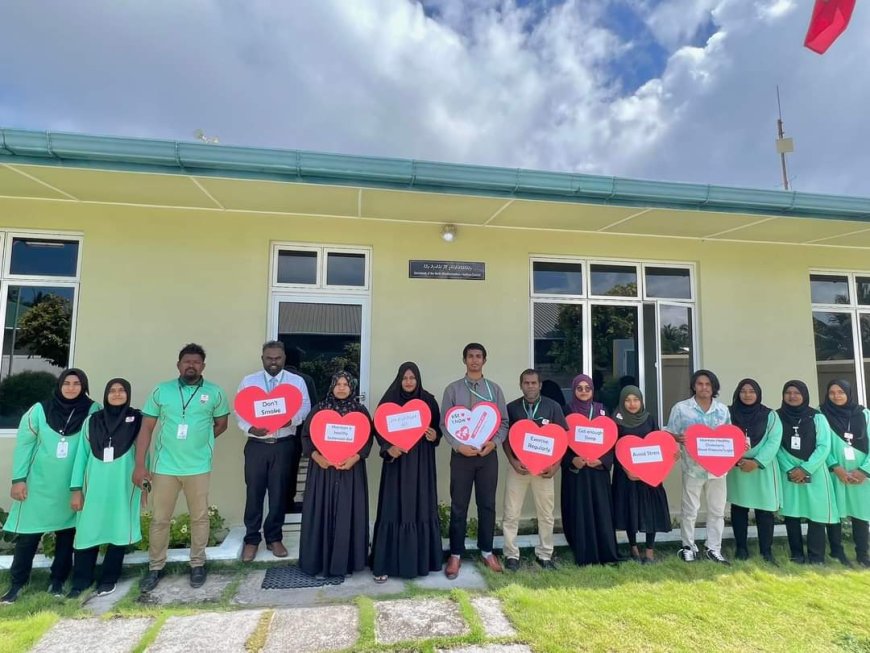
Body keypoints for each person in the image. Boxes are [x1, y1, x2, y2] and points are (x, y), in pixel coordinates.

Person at [134, 344, 230, 592]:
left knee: (199, 517)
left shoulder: (215, 393)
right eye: (187, 361)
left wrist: (201, 442)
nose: (191, 365)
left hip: (198, 467)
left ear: (203, 366)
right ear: (178, 365)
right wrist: (140, 464)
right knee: (159, 519)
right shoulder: (161, 391)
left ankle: (197, 564)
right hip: (164, 466)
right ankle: (156, 567)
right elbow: (146, 428)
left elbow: (221, 424)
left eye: (196, 362)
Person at [1, 369, 98, 604]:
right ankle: (17, 584)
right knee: (28, 537)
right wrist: (18, 479)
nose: (72, 387)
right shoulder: (39, 411)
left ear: (83, 386)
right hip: (39, 485)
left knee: (66, 535)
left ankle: (57, 581)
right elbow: (24, 446)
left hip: (71, 486)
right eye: (67, 383)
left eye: (77, 383)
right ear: (59, 385)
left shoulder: (92, 410)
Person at [67, 378, 143, 598]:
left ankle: (109, 579)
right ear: (106, 394)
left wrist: (144, 482)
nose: (117, 394)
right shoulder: (92, 421)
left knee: (118, 530)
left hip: (123, 485)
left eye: (121, 390)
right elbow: (81, 455)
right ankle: (81, 581)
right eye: (112, 390)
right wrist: (76, 488)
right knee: (87, 531)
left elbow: (142, 452)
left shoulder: (136, 419)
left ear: (128, 394)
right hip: (94, 486)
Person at [236, 341, 311, 562]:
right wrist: (250, 428)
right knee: (254, 493)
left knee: (280, 494)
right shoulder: (249, 382)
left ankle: (274, 538)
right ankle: (251, 540)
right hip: (257, 446)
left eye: (277, 358)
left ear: (284, 358)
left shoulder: (296, 382)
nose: (273, 362)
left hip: (284, 444)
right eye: (269, 358)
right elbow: (240, 410)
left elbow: (305, 407)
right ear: (262, 359)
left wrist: (291, 419)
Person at [441, 343, 509, 579]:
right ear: (464, 360)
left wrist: (494, 443)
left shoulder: (494, 390)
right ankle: (455, 555)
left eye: (478, 356)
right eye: (470, 356)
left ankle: (487, 550)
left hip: (487, 456)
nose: (474, 360)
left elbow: (503, 423)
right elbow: (444, 424)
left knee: (487, 504)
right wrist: (458, 446)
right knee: (459, 505)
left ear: (484, 360)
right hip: (461, 457)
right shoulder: (452, 390)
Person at [370, 362, 442, 582]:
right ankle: (386, 563)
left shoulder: (428, 400)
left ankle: (421, 562)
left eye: (413, 378)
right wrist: (388, 448)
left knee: (419, 506)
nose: (409, 382)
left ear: (418, 379)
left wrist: (434, 436)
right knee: (394, 507)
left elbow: (437, 429)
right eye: (405, 378)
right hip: (396, 465)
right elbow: (378, 429)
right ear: (399, 379)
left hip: (421, 464)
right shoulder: (389, 400)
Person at [299, 371, 373, 577]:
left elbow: (368, 439)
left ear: (352, 388)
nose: (341, 388)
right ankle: (318, 562)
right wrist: (317, 456)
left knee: (347, 512)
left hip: (350, 471)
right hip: (323, 471)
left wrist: (355, 458)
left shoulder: (360, 411)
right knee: (322, 511)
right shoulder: (319, 409)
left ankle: (346, 563)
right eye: (337, 384)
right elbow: (306, 437)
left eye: (345, 384)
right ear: (332, 386)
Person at [665, 369, 732, 564]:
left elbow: (729, 437)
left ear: (714, 387)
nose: (704, 387)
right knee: (690, 510)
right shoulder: (681, 408)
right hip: (692, 468)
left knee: (717, 511)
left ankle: (714, 548)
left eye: (708, 384)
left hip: (718, 470)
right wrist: (678, 438)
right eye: (700, 384)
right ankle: (688, 546)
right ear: (694, 386)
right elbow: (670, 433)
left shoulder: (722, 410)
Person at [502, 369, 566, 570]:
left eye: (534, 383)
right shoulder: (512, 408)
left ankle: (545, 555)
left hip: (545, 470)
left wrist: (555, 466)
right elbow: (505, 438)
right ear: (520, 385)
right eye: (526, 383)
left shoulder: (553, 407)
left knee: (546, 514)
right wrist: (513, 461)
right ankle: (511, 554)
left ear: (540, 385)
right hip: (518, 468)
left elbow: (562, 439)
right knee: (511, 513)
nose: (530, 386)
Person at [776, 380, 838, 564]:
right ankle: (796, 554)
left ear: (804, 395)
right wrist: (791, 468)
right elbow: (775, 445)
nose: (792, 396)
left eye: (797, 393)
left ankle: (816, 556)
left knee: (816, 512)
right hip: (788, 471)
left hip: (815, 470)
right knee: (792, 513)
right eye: (788, 392)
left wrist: (805, 468)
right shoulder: (776, 416)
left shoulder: (817, 417)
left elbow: (824, 446)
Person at [561, 374, 618, 566]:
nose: (584, 391)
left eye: (587, 388)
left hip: (597, 472)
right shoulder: (566, 411)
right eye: (580, 388)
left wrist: (602, 460)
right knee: (580, 511)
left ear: (593, 390)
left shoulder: (602, 410)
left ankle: (606, 552)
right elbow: (560, 443)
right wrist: (572, 460)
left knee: (601, 510)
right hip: (576, 473)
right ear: (574, 390)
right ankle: (584, 553)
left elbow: (611, 441)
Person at [611, 385, 671, 564]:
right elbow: (613, 449)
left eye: (636, 400)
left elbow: (658, 444)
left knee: (650, 511)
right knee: (630, 511)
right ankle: (634, 549)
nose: (632, 404)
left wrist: (670, 457)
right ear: (622, 401)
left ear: (641, 401)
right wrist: (627, 470)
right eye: (628, 400)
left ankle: (650, 551)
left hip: (649, 476)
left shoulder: (650, 419)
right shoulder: (616, 421)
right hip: (626, 476)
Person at [726, 379, 783, 564]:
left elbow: (774, 441)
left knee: (764, 511)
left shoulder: (770, 415)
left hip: (761, 470)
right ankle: (741, 549)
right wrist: (736, 459)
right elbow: (722, 436)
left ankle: (766, 551)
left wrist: (757, 462)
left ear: (758, 393)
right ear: (737, 393)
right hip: (738, 467)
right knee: (739, 508)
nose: (748, 394)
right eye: (743, 391)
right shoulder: (728, 413)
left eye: (752, 391)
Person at [820, 379, 870, 567]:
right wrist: (836, 467)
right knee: (835, 513)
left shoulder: (864, 414)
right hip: (835, 472)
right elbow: (820, 444)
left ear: (849, 393)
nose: (836, 396)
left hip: (861, 474)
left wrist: (865, 470)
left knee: (861, 514)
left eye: (840, 392)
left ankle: (863, 554)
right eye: (832, 392)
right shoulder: (821, 414)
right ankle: (837, 551)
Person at [284, 346, 318, 513]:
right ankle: (289, 501)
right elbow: (313, 408)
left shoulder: (281, 381)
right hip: (299, 433)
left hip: (278, 433)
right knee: (293, 467)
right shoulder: (306, 379)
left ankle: (282, 504)